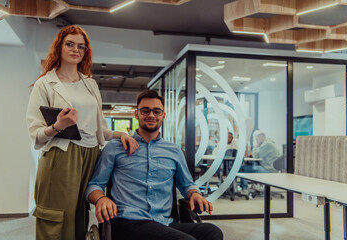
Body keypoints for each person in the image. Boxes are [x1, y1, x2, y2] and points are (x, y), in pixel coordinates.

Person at [26, 25, 139, 240]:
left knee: (80, 217)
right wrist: (58, 125)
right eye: (70, 44)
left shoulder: (90, 84)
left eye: (81, 46)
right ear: (59, 47)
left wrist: (121, 134)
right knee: (56, 218)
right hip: (62, 156)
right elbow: (36, 135)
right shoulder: (45, 83)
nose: (75, 49)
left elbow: (100, 130)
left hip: (91, 156)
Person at [85, 90, 223, 240]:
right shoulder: (115, 147)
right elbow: (94, 185)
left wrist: (195, 194)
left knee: (212, 232)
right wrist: (100, 199)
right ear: (136, 114)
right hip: (128, 222)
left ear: (163, 116)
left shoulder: (174, 151)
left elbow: (187, 184)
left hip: (164, 222)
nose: (151, 115)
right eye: (145, 111)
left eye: (156, 111)